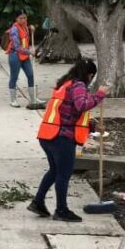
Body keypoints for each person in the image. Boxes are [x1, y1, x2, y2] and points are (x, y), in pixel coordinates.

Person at [28, 59, 108, 222]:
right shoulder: (78, 86)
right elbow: (81, 105)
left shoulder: (65, 84)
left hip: (48, 135)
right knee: (63, 174)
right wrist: (100, 94)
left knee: (55, 171)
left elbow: (70, 114)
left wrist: (93, 126)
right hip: (61, 138)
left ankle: (38, 202)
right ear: (90, 75)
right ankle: (61, 210)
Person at [5, 11, 38, 108]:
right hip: (15, 56)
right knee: (14, 77)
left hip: (25, 56)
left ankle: (33, 99)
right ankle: (13, 100)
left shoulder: (25, 27)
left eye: (25, 18)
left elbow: (25, 35)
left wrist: (31, 29)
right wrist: (30, 52)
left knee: (31, 75)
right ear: (16, 19)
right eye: (21, 18)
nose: (23, 20)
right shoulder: (14, 29)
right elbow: (17, 47)